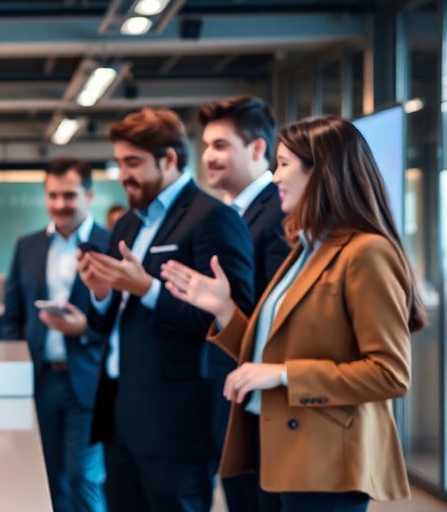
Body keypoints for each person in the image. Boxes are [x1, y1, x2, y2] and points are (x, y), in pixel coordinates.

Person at [160, 116, 424, 512]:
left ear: (321, 172)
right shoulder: (304, 249)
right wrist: (224, 309)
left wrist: (284, 375)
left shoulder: (366, 252)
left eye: (283, 163)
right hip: (277, 449)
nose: (275, 175)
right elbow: (270, 351)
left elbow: (389, 373)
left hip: (325, 461)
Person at [78, 108, 255, 511]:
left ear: (170, 159)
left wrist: (148, 289)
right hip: (122, 418)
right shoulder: (127, 226)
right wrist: (101, 293)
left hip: (178, 425)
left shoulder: (213, 220)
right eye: (120, 162)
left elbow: (230, 322)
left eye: (134, 163)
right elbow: (110, 323)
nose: (123, 174)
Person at [1, 157, 111, 512]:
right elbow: (12, 315)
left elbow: (122, 318)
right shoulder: (28, 246)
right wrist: (15, 366)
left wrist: (87, 329)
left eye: (69, 195)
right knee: (49, 476)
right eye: (53, 196)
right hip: (41, 379)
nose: (61, 204)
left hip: (89, 377)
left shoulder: (108, 245)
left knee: (84, 476)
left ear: (89, 195)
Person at [199, 95, 290, 512]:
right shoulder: (231, 214)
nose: (208, 157)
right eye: (205, 146)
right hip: (235, 401)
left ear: (257, 149)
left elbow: (280, 320)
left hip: (268, 407)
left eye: (220, 145)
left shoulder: (280, 213)